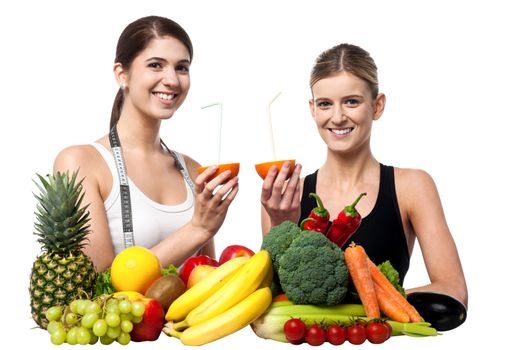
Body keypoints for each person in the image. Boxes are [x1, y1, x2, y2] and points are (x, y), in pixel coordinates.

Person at [260, 43, 468, 306]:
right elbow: (271, 298)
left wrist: (367, 305)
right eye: (325, 104)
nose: (337, 117)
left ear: (377, 106)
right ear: (313, 110)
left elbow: (453, 289)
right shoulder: (285, 195)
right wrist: (281, 224)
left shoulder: (412, 187)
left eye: (351, 102)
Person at [54, 16, 239, 272]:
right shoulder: (81, 162)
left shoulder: (193, 170)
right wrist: (198, 228)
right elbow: (98, 286)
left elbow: (205, 274)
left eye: (182, 67)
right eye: (156, 65)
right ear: (122, 74)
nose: (172, 80)